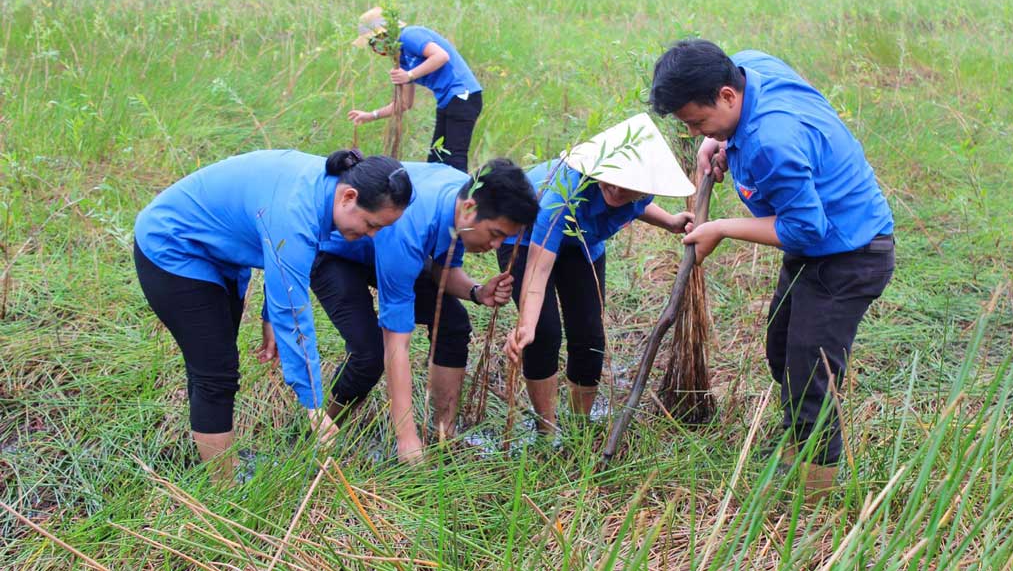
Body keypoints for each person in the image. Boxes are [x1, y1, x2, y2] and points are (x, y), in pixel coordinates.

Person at [649, 39, 896, 497]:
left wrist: (722, 227)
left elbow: (807, 229)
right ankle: (797, 445)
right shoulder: (749, 68)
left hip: (850, 254)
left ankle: (815, 497)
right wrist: (714, 138)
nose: (698, 131)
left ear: (726, 96)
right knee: (782, 348)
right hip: (820, 249)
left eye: (699, 122)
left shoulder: (771, 142)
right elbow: (734, 102)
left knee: (811, 374)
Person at [134, 149, 412, 480]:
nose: (371, 235)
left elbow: (273, 248)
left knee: (214, 366)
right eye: (370, 224)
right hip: (173, 248)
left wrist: (267, 314)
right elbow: (294, 313)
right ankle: (223, 489)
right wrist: (313, 406)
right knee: (215, 373)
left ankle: (220, 463)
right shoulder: (298, 211)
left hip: (219, 253)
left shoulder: (323, 189)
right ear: (349, 197)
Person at [257, 158, 539, 463]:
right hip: (336, 255)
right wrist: (406, 438)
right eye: (495, 233)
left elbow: (445, 271)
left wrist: (476, 291)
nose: (497, 245)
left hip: (381, 250)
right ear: (469, 208)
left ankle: (445, 435)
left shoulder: (459, 199)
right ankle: (317, 435)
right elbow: (397, 342)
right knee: (369, 354)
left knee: (453, 323)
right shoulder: (410, 227)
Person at [501, 113, 696, 432]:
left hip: (582, 245)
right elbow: (539, 268)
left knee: (589, 335)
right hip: (525, 243)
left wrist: (671, 221)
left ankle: (579, 428)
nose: (618, 189)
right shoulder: (563, 189)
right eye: (612, 177)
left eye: (629, 184)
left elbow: (638, 204)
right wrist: (526, 324)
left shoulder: (638, 190)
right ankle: (546, 431)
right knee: (544, 332)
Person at [347, 7, 483, 172]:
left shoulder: (410, 35)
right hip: (446, 100)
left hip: (463, 96)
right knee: (436, 158)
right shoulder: (401, 57)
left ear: (383, 34)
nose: (375, 47)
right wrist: (371, 115)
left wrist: (409, 75)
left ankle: (460, 195)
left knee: (454, 156)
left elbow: (441, 56)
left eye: (373, 42)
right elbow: (404, 103)